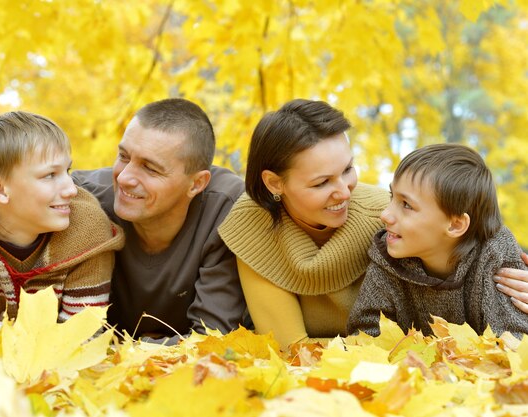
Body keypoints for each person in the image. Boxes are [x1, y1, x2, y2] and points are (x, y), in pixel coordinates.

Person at [218, 98, 528, 349]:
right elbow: (291, 348)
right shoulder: (253, 225)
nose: (344, 191)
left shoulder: (394, 218)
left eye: (348, 169)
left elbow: (475, 241)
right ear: (274, 183)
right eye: (322, 182)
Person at [0, 111, 125, 346]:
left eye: (67, 172)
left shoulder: (87, 233)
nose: (71, 189)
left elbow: (82, 338)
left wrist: (18, 347)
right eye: (50, 175)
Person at [72, 98, 247, 343]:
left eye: (150, 168)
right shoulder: (80, 197)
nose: (124, 178)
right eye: (123, 156)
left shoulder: (228, 209)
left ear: (196, 184)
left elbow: (210, 340)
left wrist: (120, 348)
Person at [347, 144, 528, 337]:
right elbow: (364, 340)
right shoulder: (388, 259)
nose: (385, 215)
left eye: (406, 205)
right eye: (392, 196)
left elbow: (513, 346)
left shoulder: (496, 256)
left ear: (455, 225)